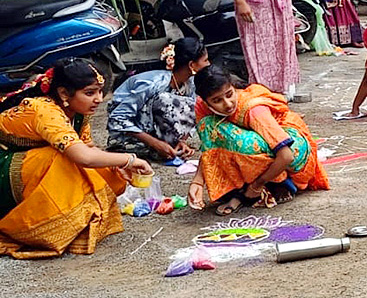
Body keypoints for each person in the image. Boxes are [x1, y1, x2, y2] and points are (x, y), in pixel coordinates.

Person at [0, 58, 152, 259]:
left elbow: (88, 148)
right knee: (61, 158)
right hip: (7, 165)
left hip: (32, 162)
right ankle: (35, 227)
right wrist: (129, 159)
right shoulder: (43, 109)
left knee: (107, 172)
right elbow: (83, 157)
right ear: (64, 93)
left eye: (100, 91)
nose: (98, 99)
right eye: (90, 93)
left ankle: (73, 221)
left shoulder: (78, 111)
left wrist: (116, 164)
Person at [189, 66, 330, 214]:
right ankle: (250, 187)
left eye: (229, 94)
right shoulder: (202, 107)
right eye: (217, 100)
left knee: (240, 143)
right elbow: (210, 144)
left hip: (294, 147)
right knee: (211, 127)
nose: (228, 104)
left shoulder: (253, 109)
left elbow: (286, 155)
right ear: (206, 102)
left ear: (232, 86)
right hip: (265, 143)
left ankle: (278, 184)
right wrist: (197, 182)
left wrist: (256, 185)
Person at [106, 38, 209, 160]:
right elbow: (117, 118)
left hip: (152, 131)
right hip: (130, 133)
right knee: (165, 100)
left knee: (199, 104)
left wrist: (181, 141)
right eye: (206, 60)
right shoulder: (154, 83)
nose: (208, 64)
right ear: (192, 65)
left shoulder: (190, 83)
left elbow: (192, 113)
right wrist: (155, 143)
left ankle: (171, 145)